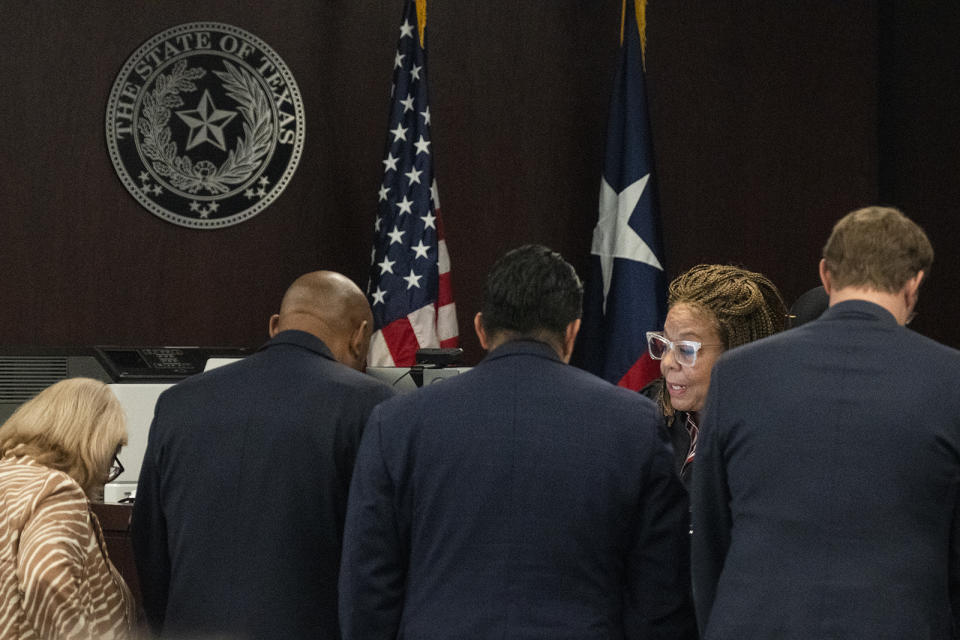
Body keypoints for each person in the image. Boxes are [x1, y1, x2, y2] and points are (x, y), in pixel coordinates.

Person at [339, 244, 696, 639]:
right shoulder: (634, 424)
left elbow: (368, 591)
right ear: (572, 332)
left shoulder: (397, 425)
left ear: (480, 329)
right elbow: (662, 598)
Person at [691, 206, 960, 638]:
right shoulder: (951, 380)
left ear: (826, 276)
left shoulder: (739, 373)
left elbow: (708, 540)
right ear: (914, 283)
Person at [131, 270, 395, 639]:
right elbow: (379, 552)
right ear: (360, 336)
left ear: (275, 325)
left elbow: (149, 544)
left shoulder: (178, 402)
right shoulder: (371, 405)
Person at [0, 378, 134, 640]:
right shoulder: (56, 490)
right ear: (91, 446)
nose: (108, 472)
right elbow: (45, 580)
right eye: (111, 452)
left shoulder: (8, 478)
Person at [641, 264, 786, 486]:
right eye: (665, 344)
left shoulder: (774, 443)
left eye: (685, 350)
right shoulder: (648, 412)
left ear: (737, 353)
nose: (667, 363)